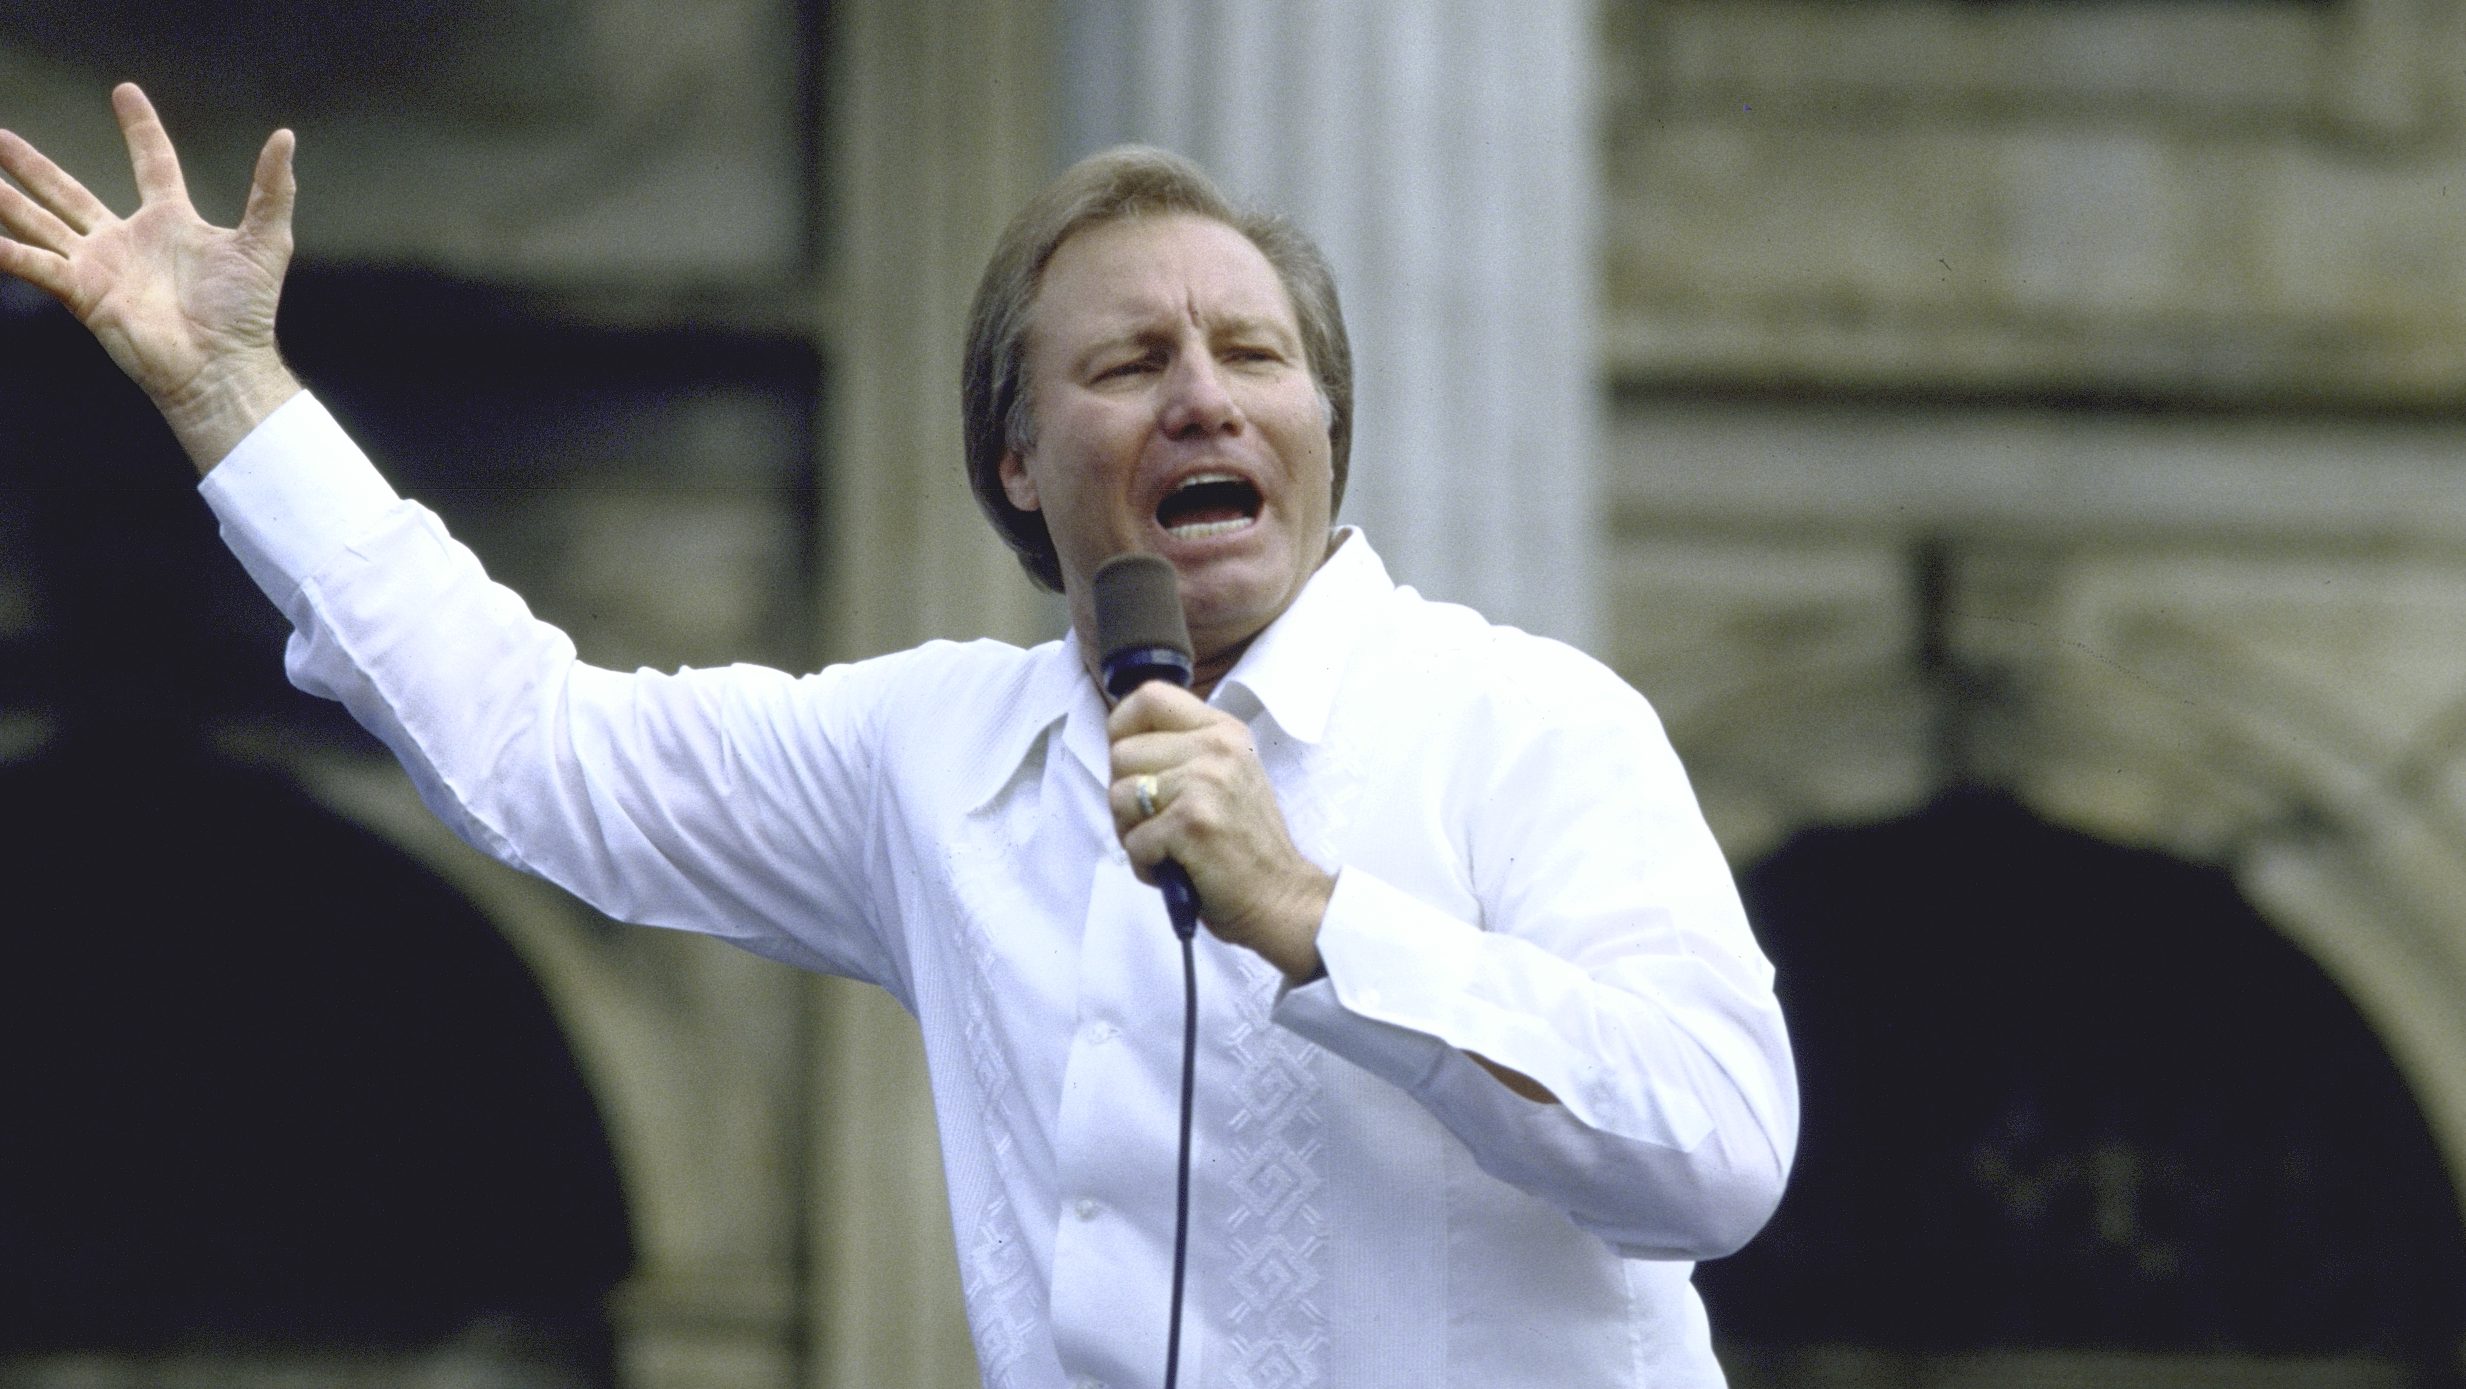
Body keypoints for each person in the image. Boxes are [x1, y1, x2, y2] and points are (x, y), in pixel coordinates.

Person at [0, 85, 1797, 1387]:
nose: (1202, 393)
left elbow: (1718, 1149)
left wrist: (1320, 922)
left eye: (1253, 355)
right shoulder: (935, 754)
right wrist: (230, 390)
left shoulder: (1525, 720)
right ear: (1016, 458)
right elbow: (537, 748)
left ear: (1324, 422)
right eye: (1130, 362)